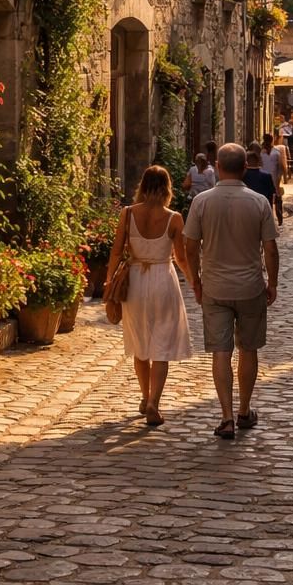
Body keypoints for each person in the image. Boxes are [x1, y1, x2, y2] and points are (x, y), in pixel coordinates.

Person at [183, 143, 279, 440]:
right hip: (250, 285)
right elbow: (270, 248)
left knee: (221, 352)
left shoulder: (202, 202)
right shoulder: (259, 202)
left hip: (215, 286)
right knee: (248, 350)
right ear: (244, 168)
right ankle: (244, 409)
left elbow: (189, 245)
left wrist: (195, 280)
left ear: (219, 168)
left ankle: (226, 417)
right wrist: (272, 282)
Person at [110, 166, 193, 426]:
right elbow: (180, 257)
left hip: (135, 280)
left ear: (142, 186)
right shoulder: (174, 218)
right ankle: (154, 403)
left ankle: (145, 397)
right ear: (167, 188)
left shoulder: (128, 213)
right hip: (163, 280)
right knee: (161, 346)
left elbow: (115, 252)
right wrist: (194, 281)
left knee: (140, 344)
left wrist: (109, 280)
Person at [259, 132, 286, 225]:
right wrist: (281, 177)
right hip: (268, 178)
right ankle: (270, 219)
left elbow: (280, 167)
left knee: (270, 199)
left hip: (268, 179)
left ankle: (271, 218)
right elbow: (281, 167)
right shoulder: (264, 152)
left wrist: (279, 178)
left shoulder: (265, 152)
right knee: (271, 199)